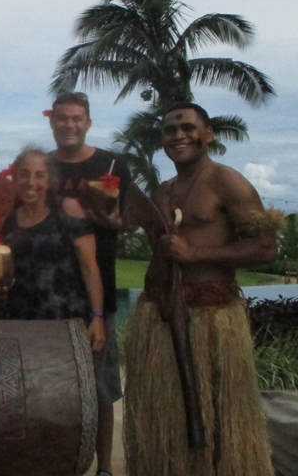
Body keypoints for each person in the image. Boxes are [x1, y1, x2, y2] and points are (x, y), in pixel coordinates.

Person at [123, 103, 276, 476]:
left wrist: (196, 255)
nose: (178, 135)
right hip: (161, 322)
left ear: (208, 133)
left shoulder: (227, 182)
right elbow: (151, 241)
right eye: (169, 130)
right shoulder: (163, 192)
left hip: (213, 323)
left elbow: (266, 248)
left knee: (219, 424)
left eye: (188, 127)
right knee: (166, 427)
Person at [48, 92, 132, 476]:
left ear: (88, 123)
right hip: (49, 293)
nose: (70, 124)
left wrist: (112, 220)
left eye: (77, 118)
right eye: (62, 118)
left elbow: (129, 220)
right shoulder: (43, 166)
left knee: (100, 388)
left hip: (98, 293)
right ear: (52, 122)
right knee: (53, 386)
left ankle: (104, 469)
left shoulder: (111, 164)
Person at [0, 147, 105, 350]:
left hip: (65, 321)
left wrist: (97, 317)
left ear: (49, 181)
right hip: (20, 323)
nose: (31, 182)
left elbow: (89, 267)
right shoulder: (9, 220)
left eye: (39, 175)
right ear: (16, 178)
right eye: (24, 174)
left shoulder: (67, 209)